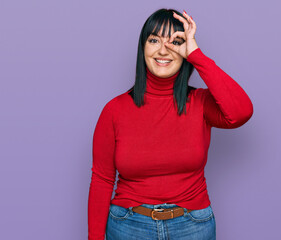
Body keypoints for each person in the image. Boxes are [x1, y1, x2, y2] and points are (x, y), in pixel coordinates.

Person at [88, 8, 253, 240]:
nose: (163, 49)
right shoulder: (114, 110)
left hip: (193, 226)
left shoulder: (201, 103)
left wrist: (196, 54)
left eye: (175, 42)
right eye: (154, 39)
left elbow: (241, 112)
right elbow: (102, 179)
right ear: (142, 47)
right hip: (128, 227)